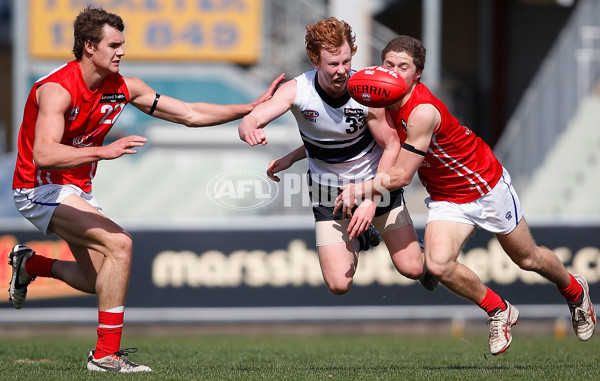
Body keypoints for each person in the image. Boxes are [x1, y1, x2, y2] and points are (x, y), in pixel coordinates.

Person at [7, 6, 284, 373]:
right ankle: (105, 356)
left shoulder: (124, 87)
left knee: (97, 281)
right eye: (114, 44)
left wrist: (248, 108)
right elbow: (43, 153)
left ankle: (30, 263)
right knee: (121, 243)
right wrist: (102, 151)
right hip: (37, 188)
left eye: (123, 44)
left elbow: (189, 113)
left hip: (74, 188)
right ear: (89, 46)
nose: (122, 51)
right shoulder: (57, 90)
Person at [335, 35, 596, 355]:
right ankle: (499, 310)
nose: (394, 71)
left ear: (417, 74)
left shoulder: (422, 112)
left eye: (403, 67)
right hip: (447, 197)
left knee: (528, 258)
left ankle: (574, 290)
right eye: (389, 64)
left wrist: (361, 190)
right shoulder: (378, 100)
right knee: (439, 265)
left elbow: (402, 175)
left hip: (485, 186)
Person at [238, 17, 436, 298]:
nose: (342, 70)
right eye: (333, 64)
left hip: (373, 182)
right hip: (328, 191)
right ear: (314, 60)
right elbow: (254, 118)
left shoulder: (367, 90)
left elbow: (391, 146)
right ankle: (364, 237)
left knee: (412, 269)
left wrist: (371, 200)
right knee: (339, 285)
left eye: (346, 61)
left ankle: (430, 258)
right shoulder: (297, 91)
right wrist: (250, 129)